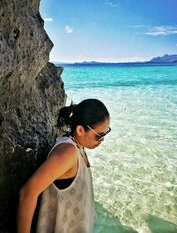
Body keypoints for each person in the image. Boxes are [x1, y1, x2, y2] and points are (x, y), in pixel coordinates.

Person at [17, 98, 111, 233]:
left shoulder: (79, 148)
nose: (102, 140)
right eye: (99, 135)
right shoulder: (67, 153)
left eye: (106, 133)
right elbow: (27, 194)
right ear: (80, 130)